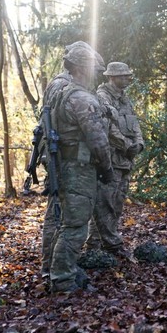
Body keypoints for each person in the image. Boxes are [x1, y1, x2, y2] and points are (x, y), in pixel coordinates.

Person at [47, 44, 114, 293]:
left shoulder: (64, 94)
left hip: (68, 166)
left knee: (68, 224)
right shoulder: (82, 99)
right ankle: (62, 281)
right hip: (78, 169)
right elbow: (98, 141)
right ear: (78, 68)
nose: (94, 73)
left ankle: (61, 273)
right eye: (90, 68)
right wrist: (107, 169)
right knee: (76, 227)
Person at [85, 62, 144, 257]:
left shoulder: (125, 99)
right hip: (110, 159)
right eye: (124, 75)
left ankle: (99, 245)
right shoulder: (102, 97)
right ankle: (98, 246)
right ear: (112, 77)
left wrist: (139, 143)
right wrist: (126, 145)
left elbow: (135, 124)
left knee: (117, 203)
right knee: (104, 203)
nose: (128, 78)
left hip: (125, 160)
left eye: (128, 75)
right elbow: (108, 128)